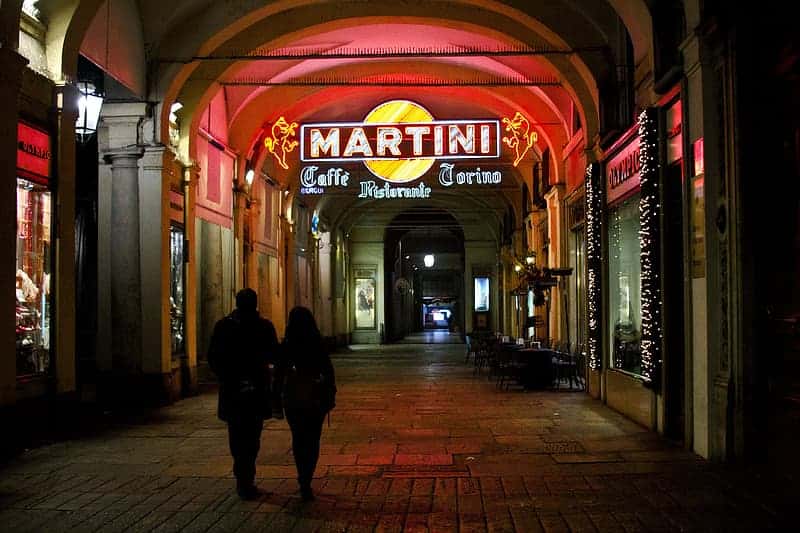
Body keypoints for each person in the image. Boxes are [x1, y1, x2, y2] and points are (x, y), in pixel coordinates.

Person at [208, 288, 279, 500]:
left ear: (237, 303)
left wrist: (226, 376)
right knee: (252, 436)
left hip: (232, 390)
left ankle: (242, 475)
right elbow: (273, 354)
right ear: (255, 304)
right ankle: (246, 476)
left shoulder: (223, 326)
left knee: (236, 435)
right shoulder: (264, 327)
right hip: (256, 390)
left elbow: (213, 357)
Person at [275, 306, 336, 501]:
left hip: (293, 398)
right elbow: (328, 371)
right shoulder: (317, 343)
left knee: (298, 437)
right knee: (313, 438)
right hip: (315, 398)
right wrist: (330, 394)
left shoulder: (287, 345)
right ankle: (306, 478)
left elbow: (278, 374)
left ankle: (302, 476)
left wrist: (275, 399)